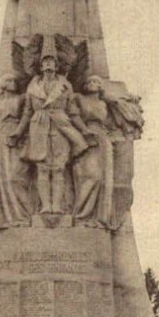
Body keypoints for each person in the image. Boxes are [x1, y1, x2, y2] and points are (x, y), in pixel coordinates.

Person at [9, 53, 96, 215]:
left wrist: (84, 130)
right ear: (41, 67)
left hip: (61, 126)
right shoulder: (32, 86)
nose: (48, 65)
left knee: (58, 168)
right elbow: (27, 112)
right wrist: (18, 132)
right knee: (42, 168)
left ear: (56, 66)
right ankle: (45, 206)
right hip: (39, 126)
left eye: (52, 62)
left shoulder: (65, 85)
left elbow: (72, 111)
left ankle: (56, 205)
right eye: (45, 62)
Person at [0, 73, 32, 229]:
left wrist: (18, 133)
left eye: (14, 80)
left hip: (16, 138)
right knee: (0, 179)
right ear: (3, 84)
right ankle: (5, 219)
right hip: (0, 139)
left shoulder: (21, 99)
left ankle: (23, 215)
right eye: (9, 80)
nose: (13, 83)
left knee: (15, 177)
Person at [72, 75, 115, 227]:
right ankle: (81, 216)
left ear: (100, 86)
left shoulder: (103, 104)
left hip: (103, 139)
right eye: (88, 81)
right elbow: (73, 115)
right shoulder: (79, 98)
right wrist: (84, 131)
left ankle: (99, 218)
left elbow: (110, 122)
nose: (91, 84)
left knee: (104, 179)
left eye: (95, 82)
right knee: (90, 176)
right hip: (86, 137)